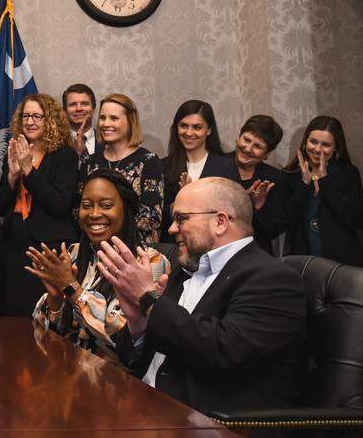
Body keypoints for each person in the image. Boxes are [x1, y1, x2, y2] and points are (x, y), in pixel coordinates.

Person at [97, 177, 306, 415]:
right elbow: (131, 357)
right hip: (142, 406)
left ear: (220, 222)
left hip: (206, 423)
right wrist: (138, 325)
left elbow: (223, 351)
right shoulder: (185, 269)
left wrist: (148, 299)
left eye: (181, 218)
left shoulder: (274, 279)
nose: (171, 229)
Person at [27, 168, 169, 363]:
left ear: (126, 209)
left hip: (118, 382)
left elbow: (125, 339)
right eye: (87, 205)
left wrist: (71, 288)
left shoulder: (150, 262)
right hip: (66, 374)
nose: (94, 214)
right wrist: (55, 299)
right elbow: (43, 335)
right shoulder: (74, 253)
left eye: (106, 205)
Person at [0, 93, 80, 316]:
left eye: (37, 116)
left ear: (49, 120)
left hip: (47, 248)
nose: (30, 122)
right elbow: (0, 206)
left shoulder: (65, 156)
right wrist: (13, 176)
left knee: (45, 316)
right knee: (13, 315)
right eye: (26, 116)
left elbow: (59, 204)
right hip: (14, 248)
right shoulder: (14, 152)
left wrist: (29, 171)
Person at [80, 93, 164, 246]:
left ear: (130, 122)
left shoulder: (147, 161)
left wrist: (110, 225)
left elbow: (153, 217)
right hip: (96, 249)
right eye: (102, 117)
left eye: (114, 118)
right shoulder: (90, 163)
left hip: (137, 250)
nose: (105, 124)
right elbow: (78, 210)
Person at [284, 115, 363, 266]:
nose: (317, 149)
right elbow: (288, 220)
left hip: (343, 261)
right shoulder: (290, 174)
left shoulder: (349, 173)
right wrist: (304, 183)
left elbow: (352, 218)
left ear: (336, 148)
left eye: (326, 144)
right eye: (313, 142)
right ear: (305, 142)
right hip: (302, 261)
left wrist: (325, 181)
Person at [159, 100, 238, 239]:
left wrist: (194, 201)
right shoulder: (162, 165)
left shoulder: (226, 166)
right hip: (174, 244)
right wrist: (178, 204)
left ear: (209, 130)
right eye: (183, 126)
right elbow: (157, 213)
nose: (189, 133)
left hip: (214, 242)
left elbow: (233, 212)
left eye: (197, 127)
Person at [229, 114, 293, 253]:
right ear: (238, 137)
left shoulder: (275, 179)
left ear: (267, 154)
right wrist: (244, 202)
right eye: (246, 140)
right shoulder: (216, 164)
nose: (248, 149)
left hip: (255, 252)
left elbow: (274, 230)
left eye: (257, 146)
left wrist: (257, 208)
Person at [62, 84, 97, 162]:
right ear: (64, 112)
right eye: (73, 105)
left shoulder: (107, 141)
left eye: (84, 104)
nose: (79, 109)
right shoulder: (55, 144)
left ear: (94, 109)